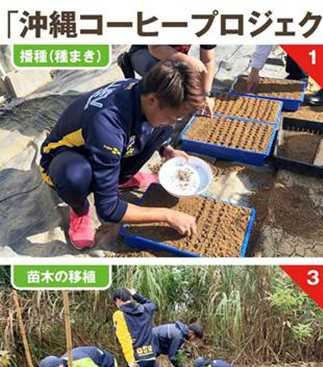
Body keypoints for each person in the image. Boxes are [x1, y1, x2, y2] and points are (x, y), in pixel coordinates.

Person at [39, 60, 202, 250]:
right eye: (173, 117)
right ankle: (79, 208)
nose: (173, 124)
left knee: (161, 128)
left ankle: (119, 178)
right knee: (75, 176)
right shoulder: (108, 123)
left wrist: (166, 150)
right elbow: (108, 209)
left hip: (102, 147)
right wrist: (168, 215)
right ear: (152, 100)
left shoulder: (142, 90)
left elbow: (156, 124)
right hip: (63, 156)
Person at [118, 45, 217, 115]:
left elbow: (208, 61)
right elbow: (155, 48)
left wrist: (205, 95)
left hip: (173, 59)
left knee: (193, 81)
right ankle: (129, 68)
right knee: (166, 78)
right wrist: (187, 60)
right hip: (144, 53)